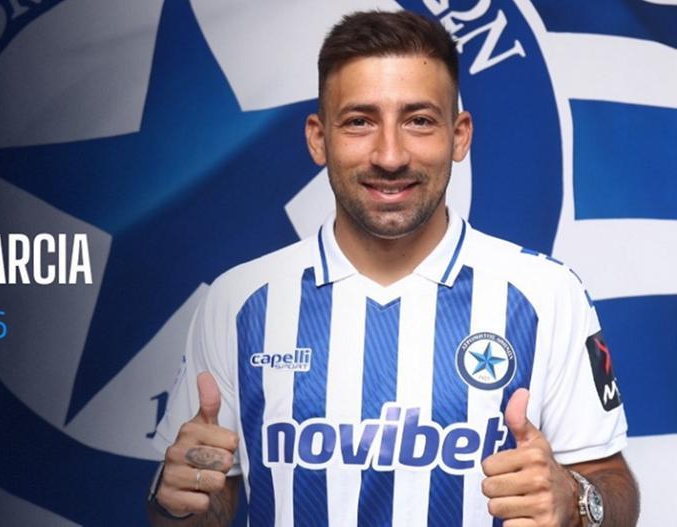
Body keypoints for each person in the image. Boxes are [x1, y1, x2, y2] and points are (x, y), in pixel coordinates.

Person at [148, 10, 639, 527]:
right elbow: (194, 509)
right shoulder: (239, 301)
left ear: (460, 136)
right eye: (359, 121)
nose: (389, 155)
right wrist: (174, 502)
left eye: (418, 120)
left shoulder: (545, 293)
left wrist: (575, 499)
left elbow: (614, 491)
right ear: (318, 138)